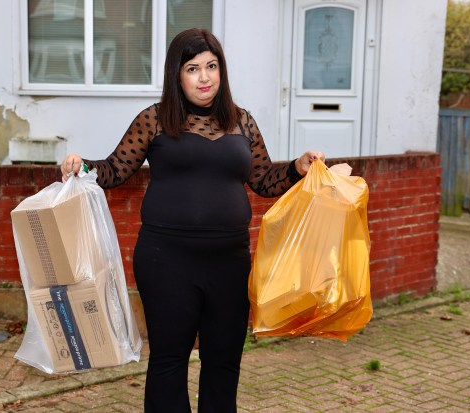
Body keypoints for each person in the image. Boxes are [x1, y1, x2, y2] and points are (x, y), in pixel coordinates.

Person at [60, 28, 325, 413]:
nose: (205, 77)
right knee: (169, 361)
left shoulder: (242, 122)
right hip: (166, 260)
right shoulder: (154, 120)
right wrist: (81, 165)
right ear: (177, 75)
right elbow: (116, 170)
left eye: (212, 66)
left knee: (223, 361)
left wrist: (298, 169)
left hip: (229, 262)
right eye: (193, 68)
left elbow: (265, 180)